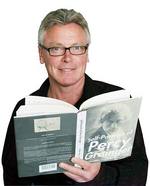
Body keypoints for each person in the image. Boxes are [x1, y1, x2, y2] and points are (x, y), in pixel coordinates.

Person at [2, 8, 148, 186]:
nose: (67, 58)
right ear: (41, 54)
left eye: (77, 48)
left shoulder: (117, 101)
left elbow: (138, 173)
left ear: (87, 53)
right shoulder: (25, 109)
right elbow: (12, 177)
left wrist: (99, 176)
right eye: (56, 49)